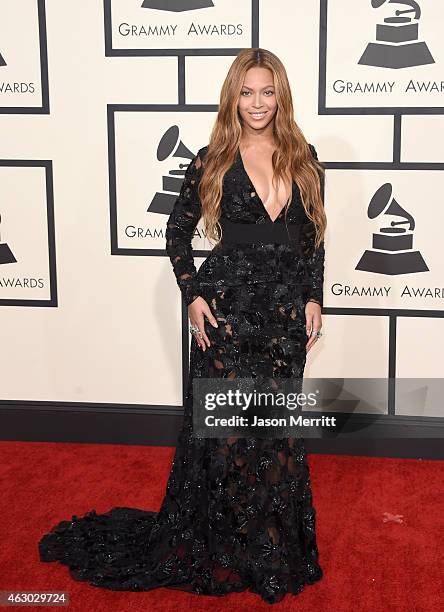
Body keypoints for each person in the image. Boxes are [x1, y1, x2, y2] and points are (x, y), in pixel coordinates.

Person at [38, 47, 326, 605]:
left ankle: (269, 549)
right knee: (224, 439)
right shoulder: (213, 157)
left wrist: (314, 296)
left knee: (277, 436)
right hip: (226, 313)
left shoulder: (304, 156)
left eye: (267, 91)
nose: (257, 103)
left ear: (281, 95)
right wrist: (192, 296)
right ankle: (224, 549)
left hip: (284, 319)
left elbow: (313, 237)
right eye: (247, 92)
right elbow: (177, 233)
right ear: (233, 97)